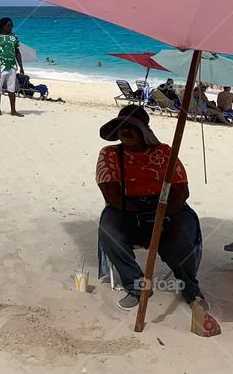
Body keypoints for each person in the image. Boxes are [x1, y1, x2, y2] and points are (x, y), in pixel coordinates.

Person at [96, 105, 208, 312]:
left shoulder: (165, 152)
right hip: (124, 206)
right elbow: (110, 192)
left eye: (132, 127)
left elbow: (181, 191)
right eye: (122, 127)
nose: (125, 131)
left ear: (144, 131)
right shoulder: (110, 153)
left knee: (180, 241)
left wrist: (161, 216)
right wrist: (140, 216)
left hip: (168, 207)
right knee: (110, 233)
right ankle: (137, 286)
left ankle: (191, 290)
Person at [0, 17, 24, 117]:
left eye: (11, 26)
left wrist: (21, 67)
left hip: (12, 66)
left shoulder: (14, 37)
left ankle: (13, 110)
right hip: (0, 66)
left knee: (12, 88)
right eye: (8, 25)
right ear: (3, 26)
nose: (10, 27)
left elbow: (17, 52)